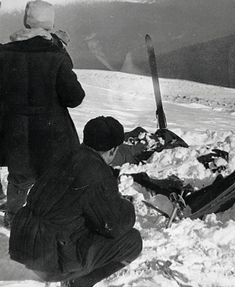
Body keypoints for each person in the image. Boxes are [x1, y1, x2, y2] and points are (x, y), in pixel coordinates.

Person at [9, 116, 143, 287]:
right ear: (113, 150)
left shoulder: (64, 154)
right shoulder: (96, 172)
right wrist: (127, 206)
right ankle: (79, 283)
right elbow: (114, 226)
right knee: (132, 241)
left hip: (21, 241)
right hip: (48, 260)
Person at [0, 0, 85, 226]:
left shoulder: (3, 53)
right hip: (51, 134)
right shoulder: (56, 54)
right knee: (53, 177)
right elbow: (75, 98)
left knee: (18, 177)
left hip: (15, 131)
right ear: (51, 24)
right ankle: (49, 218)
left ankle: (13, 217)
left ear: (25, 21)